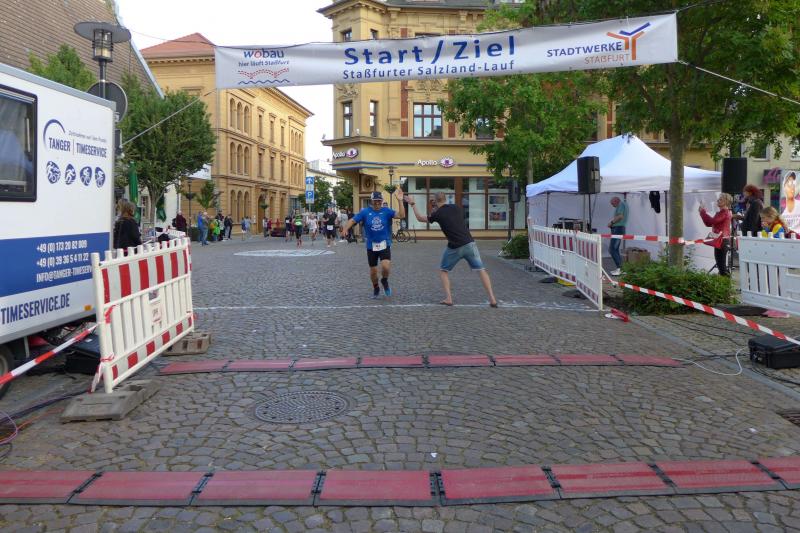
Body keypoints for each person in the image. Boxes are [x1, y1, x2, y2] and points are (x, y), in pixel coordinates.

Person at [408, 192, 498, 307]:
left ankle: (449, 298)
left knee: (443, 271)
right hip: (469, 243)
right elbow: (448, 214)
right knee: (481, 270)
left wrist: (413, 204)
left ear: (435, 201)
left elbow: (420, 218)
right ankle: (492, 299)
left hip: (455, 247)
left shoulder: (437, 214)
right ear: (445, 199)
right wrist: (435, 207)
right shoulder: (456, 207)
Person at [340, 188, 406, 298]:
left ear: (382, 200)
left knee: (385, 267)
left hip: (384, 244)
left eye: (379, 200)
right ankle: (376, 287)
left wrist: (400, 200)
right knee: (373, 271)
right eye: (375, 201)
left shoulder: (386, 211)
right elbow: (352, 220)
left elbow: (401, 215)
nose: (377, 203)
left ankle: (384, 280)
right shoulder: (365, 212)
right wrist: (345, 229)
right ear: (371, 201)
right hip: (371, 245)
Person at [699, 193, 733, 276]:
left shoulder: (724, 212)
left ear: (726, 202)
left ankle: (725, 282)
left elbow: (711, 222)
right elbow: (709, 223)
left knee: (721, 267)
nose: (718, 200)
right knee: (721, 266)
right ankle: (725, 281)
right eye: (719, 199)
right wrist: (702, 213)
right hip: (721, 240)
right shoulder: (723, 212)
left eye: (720, 199)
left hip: (722, 241)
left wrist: (703, 212)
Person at [607, 197, 628, 276]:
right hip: (619, 228)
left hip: (618, 229)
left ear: (616, 201)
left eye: (613, 204)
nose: (613, 206)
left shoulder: (621, 205)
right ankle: (621, 268)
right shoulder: (624, 205)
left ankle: (620, 269)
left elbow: (620, 216)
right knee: (615, 249)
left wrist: (611, 223)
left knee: (612, 249)